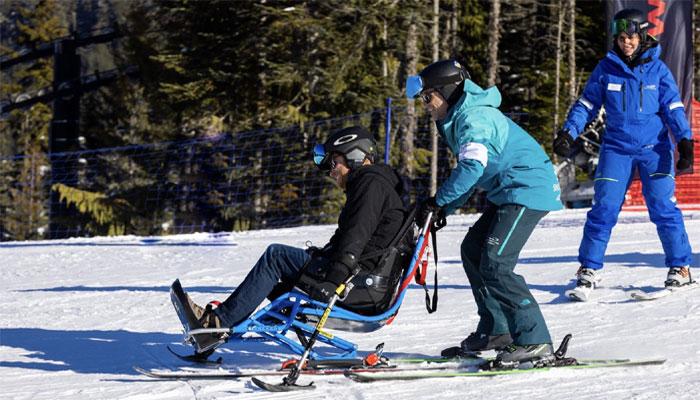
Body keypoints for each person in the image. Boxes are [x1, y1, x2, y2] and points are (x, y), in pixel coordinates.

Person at [178, 125, 409, 353]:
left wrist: (334, 279)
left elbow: (356, 235)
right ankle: (220, 328)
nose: (331, 171)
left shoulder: (370, 183)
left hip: (358, 284)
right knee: (279, 276)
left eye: (334, 162)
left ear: (355, 155)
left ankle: (216, 325)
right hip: (362, 282)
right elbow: (351, 237)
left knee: (275, 256)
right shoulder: (374, 185)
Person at [405, 59, 563, 367]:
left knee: (496, 263)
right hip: (507, 191)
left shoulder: (474, 119)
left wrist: (438, 202)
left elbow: (471, 168)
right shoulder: (458, 117)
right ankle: (497, 330)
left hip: (527, 189)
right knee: (474, 250)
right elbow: (472, 174)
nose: (424, 105)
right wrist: (442, 208)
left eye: (428, 97)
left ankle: (534, 340)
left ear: (448, 91)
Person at [553, 8, 694, 300]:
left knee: (663, 208)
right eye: (620, 37)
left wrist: (684, 141)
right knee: (603, 208)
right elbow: (587, 105)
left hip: (655, 150)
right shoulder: (606, 68)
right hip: (616, 149)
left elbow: (674, 107)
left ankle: (680, 268)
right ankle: (588, 270)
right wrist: (568, 132)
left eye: (630, 36)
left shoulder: (658, 70)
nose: (625, 42)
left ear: (642, 35)